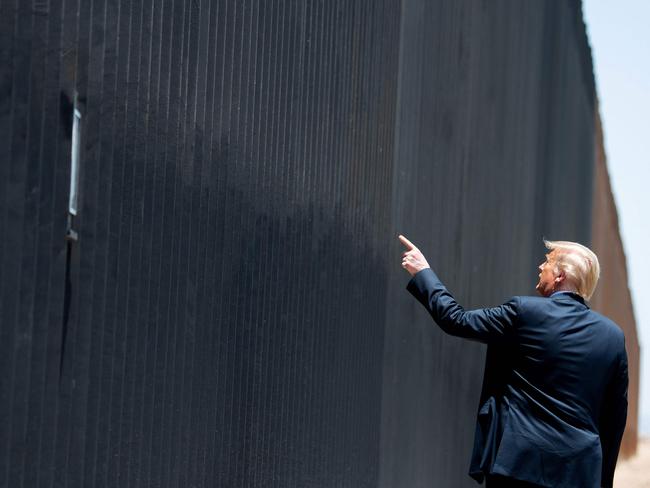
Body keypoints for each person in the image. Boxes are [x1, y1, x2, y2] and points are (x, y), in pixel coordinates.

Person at [398, 235, 628, 488]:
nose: (541, 267)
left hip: (519, 465)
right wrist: (603, 480)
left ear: (560, 275)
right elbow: (614, 419)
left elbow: (456, 319)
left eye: (547, 262)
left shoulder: (524, 312)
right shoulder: (613, 337)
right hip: (579, 473)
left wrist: (423, 271)